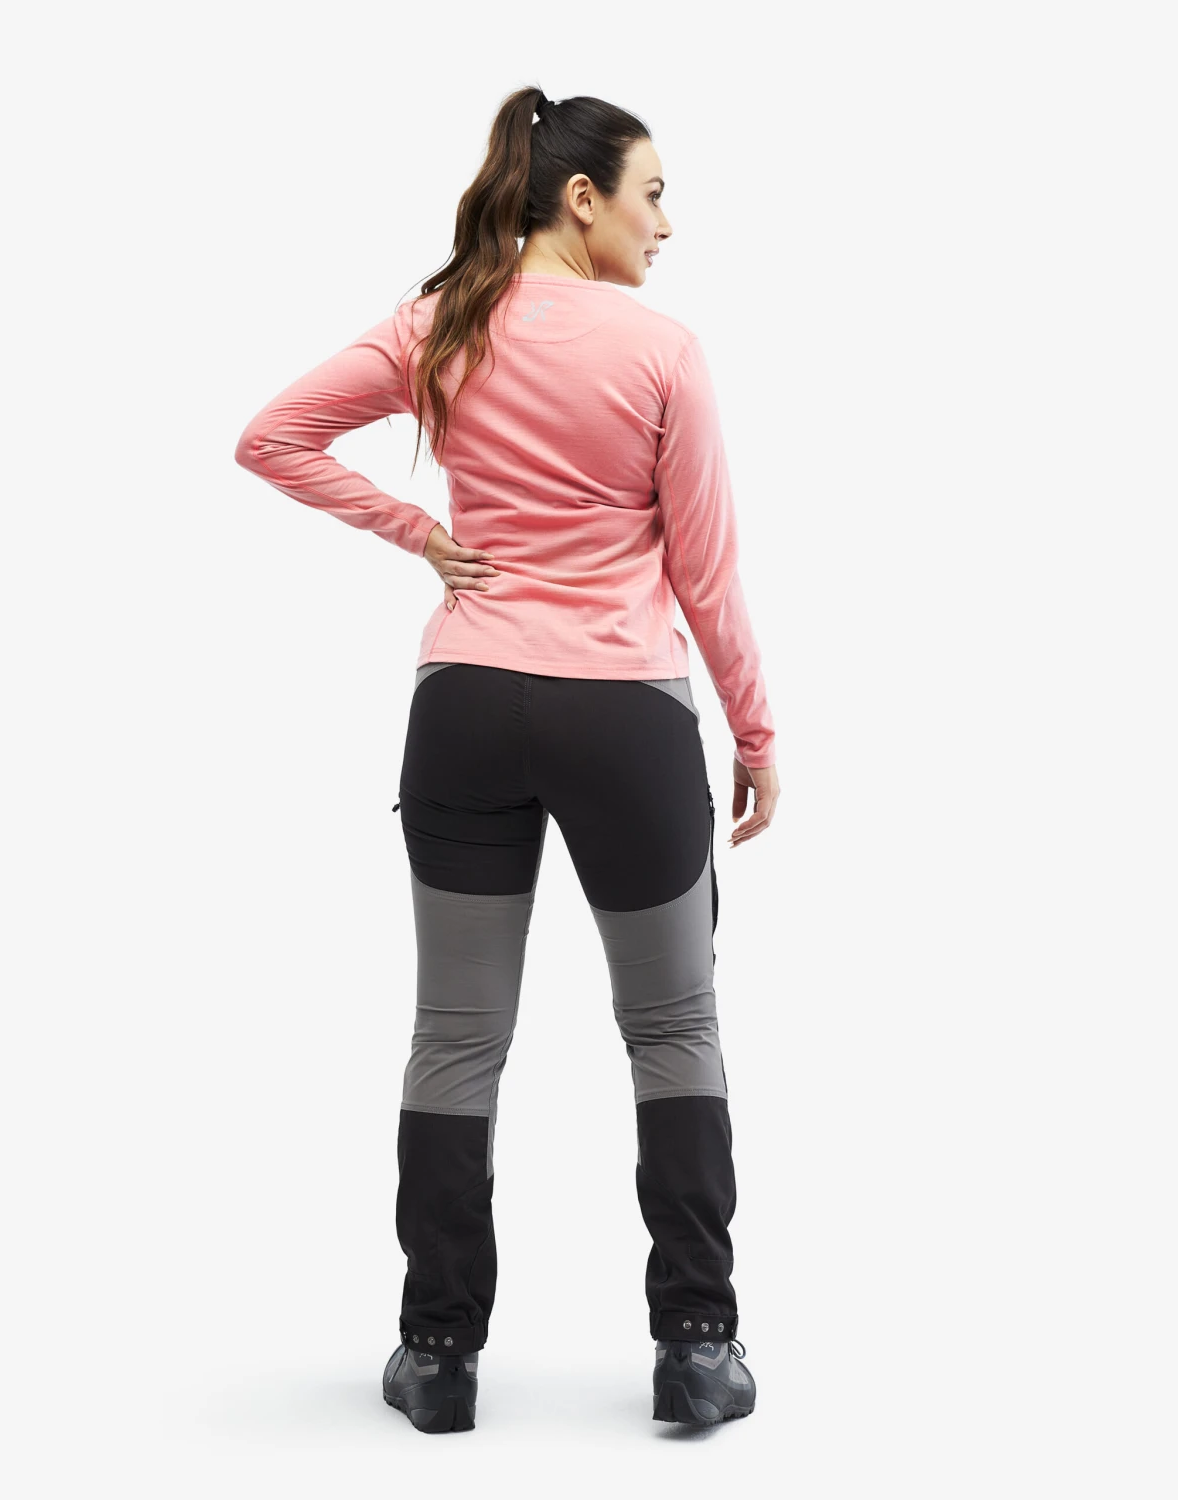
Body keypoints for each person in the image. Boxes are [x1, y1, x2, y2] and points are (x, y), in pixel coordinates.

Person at [233, 84, 779, 1434]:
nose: (668, 224)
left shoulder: (441, 322)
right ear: (583, 199)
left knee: (456, 1037)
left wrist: (421, 536)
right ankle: (697, 1345)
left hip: (466, 704)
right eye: (653, 195)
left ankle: (436, 1354)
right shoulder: (663, 351)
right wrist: (757, 732)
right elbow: (705, 574)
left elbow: (272, 437)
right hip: (624, 716)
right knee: (673, 1027)